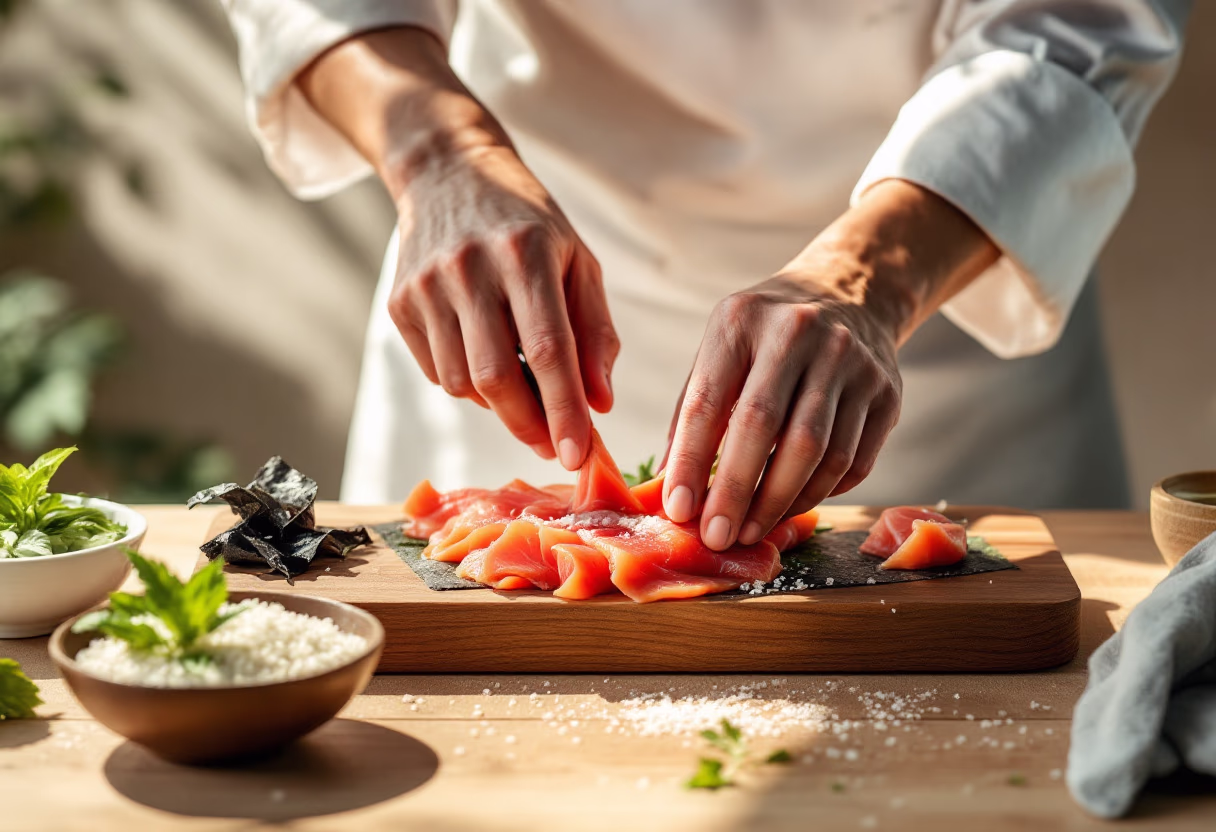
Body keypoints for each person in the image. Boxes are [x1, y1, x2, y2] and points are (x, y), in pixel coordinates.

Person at [222, 1, 1187, 550]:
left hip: (944, 299)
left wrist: (864, 282)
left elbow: (1077, 30)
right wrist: (444, 157)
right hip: (518, 288)